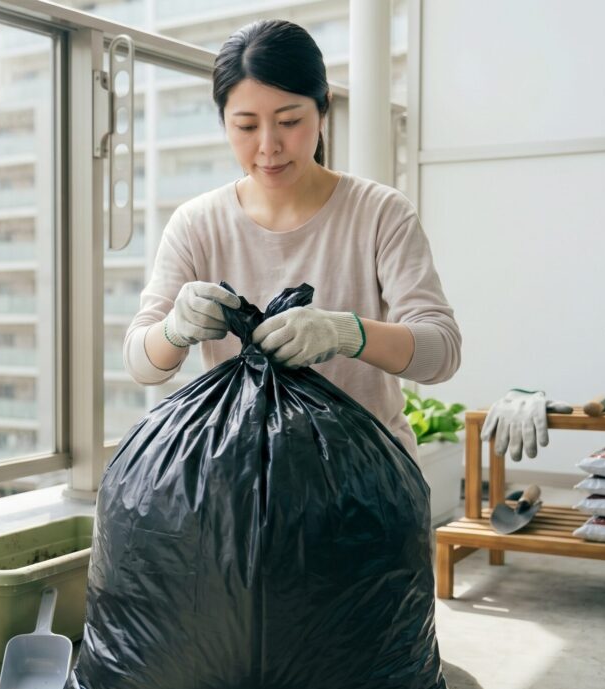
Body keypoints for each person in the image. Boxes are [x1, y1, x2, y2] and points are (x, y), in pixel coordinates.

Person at [123, 19, 461, 459]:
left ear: (323, 110)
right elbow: (141, 364)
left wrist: (346, 333)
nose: (269, 146)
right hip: (241, 485)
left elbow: (442, 352)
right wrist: (174, 330)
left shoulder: (380, 212)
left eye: (289, 121)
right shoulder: (196, 224)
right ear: (224, 123)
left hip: (368, 483)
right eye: (246, 126)